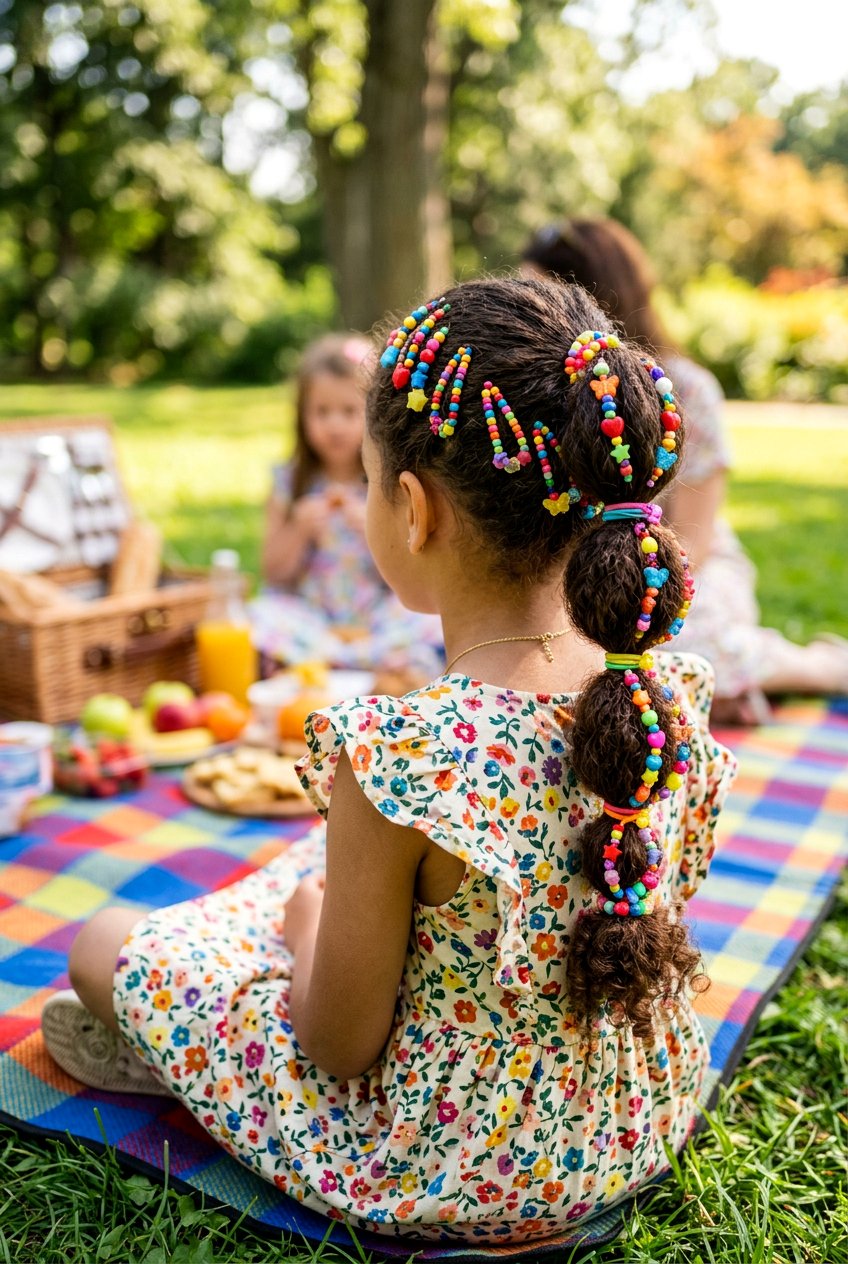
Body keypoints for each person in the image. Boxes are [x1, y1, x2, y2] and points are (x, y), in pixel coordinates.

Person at [42, 278, 737, 1244]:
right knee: (309, 876)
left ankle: (193, 1037)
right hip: (630, 1117)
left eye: (368, 479)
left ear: (413, 510)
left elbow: (338, 1046)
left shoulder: (402, 761)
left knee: (103, 944)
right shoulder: (663, 701)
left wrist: (303, 935)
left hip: (439, 1159)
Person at [523, 217, 848, 725]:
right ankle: (710, 698)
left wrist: (629, 588)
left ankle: (819, 668)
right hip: (577, 573)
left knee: (689, 643)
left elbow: (696, 536)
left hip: (678, 566)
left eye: (540, 294)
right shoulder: (542, 396)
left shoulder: (688, 390)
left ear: (595, 297)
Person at [250, 331, 442, 681]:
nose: (335, 425)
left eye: (348, 411)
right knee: (260, 615)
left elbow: (412, 567)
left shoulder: (385, 483)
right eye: (322, 412)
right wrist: (299, 530)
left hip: (376, 616)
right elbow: (273, 571)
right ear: (301, 416)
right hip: (313, 615)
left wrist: (374, 528)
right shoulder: (290, 482)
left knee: (433, 618)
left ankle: (322, 665)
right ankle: (362, 663)